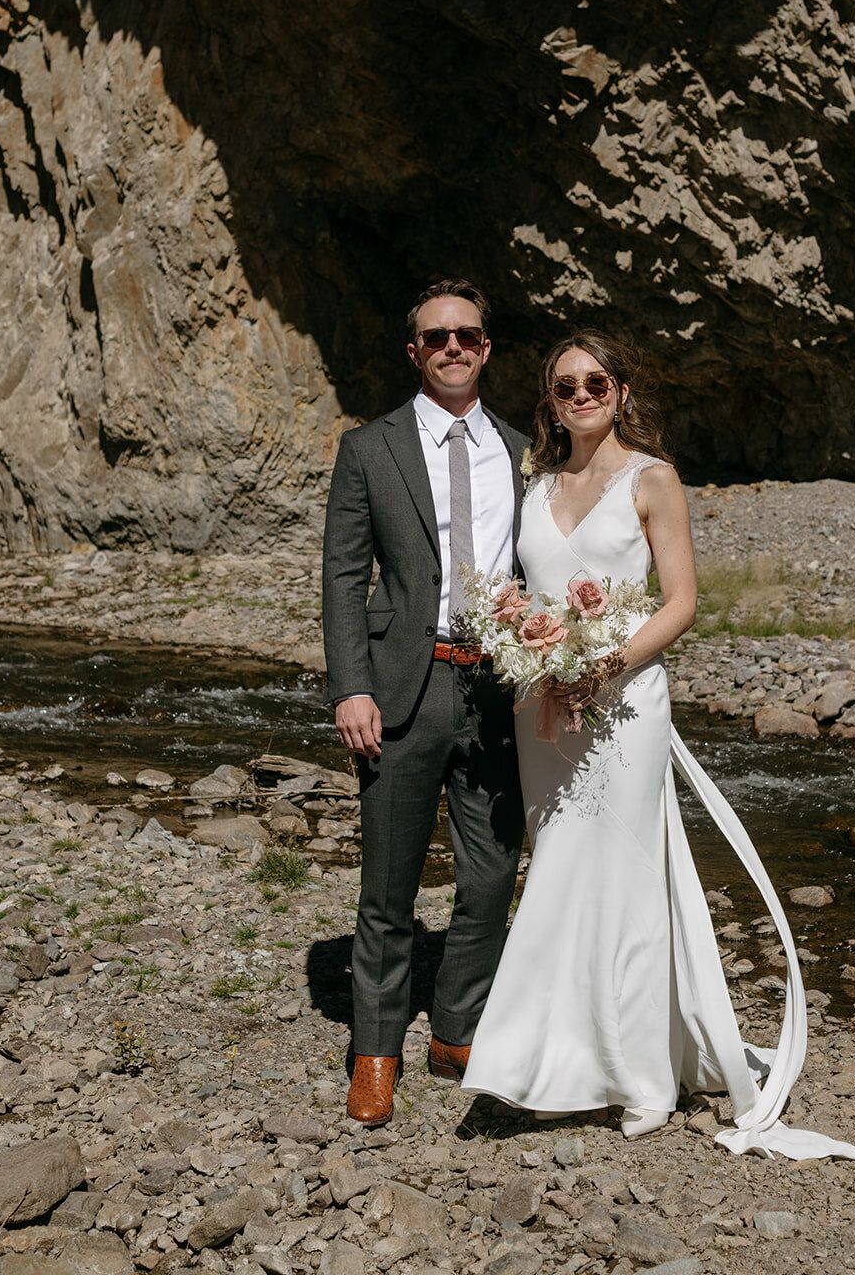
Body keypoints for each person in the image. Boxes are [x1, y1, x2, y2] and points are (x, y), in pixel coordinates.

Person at [461, 332, 855, 1161]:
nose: (580, 395)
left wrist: (603, 664)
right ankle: (564, 1059)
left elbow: (680, 602)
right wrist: (528, 643)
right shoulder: (533, 485)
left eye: (594, 382)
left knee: (619, 878)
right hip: (545, 711)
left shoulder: (653, 479)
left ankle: (638, 1073)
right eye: (564, 385)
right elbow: (518, 592)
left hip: (623, 706)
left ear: (619, 390)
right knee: (561, 871)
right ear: (549, 400)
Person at [323, 278, 528, 1126]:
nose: (452, 347)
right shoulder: (368, 448)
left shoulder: (523, 451)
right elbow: (342, 576)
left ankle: (455, 1027)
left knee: (489, 878)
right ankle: (376, 1052)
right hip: (399, 688)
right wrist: (351, 687)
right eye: (436, 337)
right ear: (414, 351)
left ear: (486, 347)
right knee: (389, 885)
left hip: (496, 693)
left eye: (467, 336)